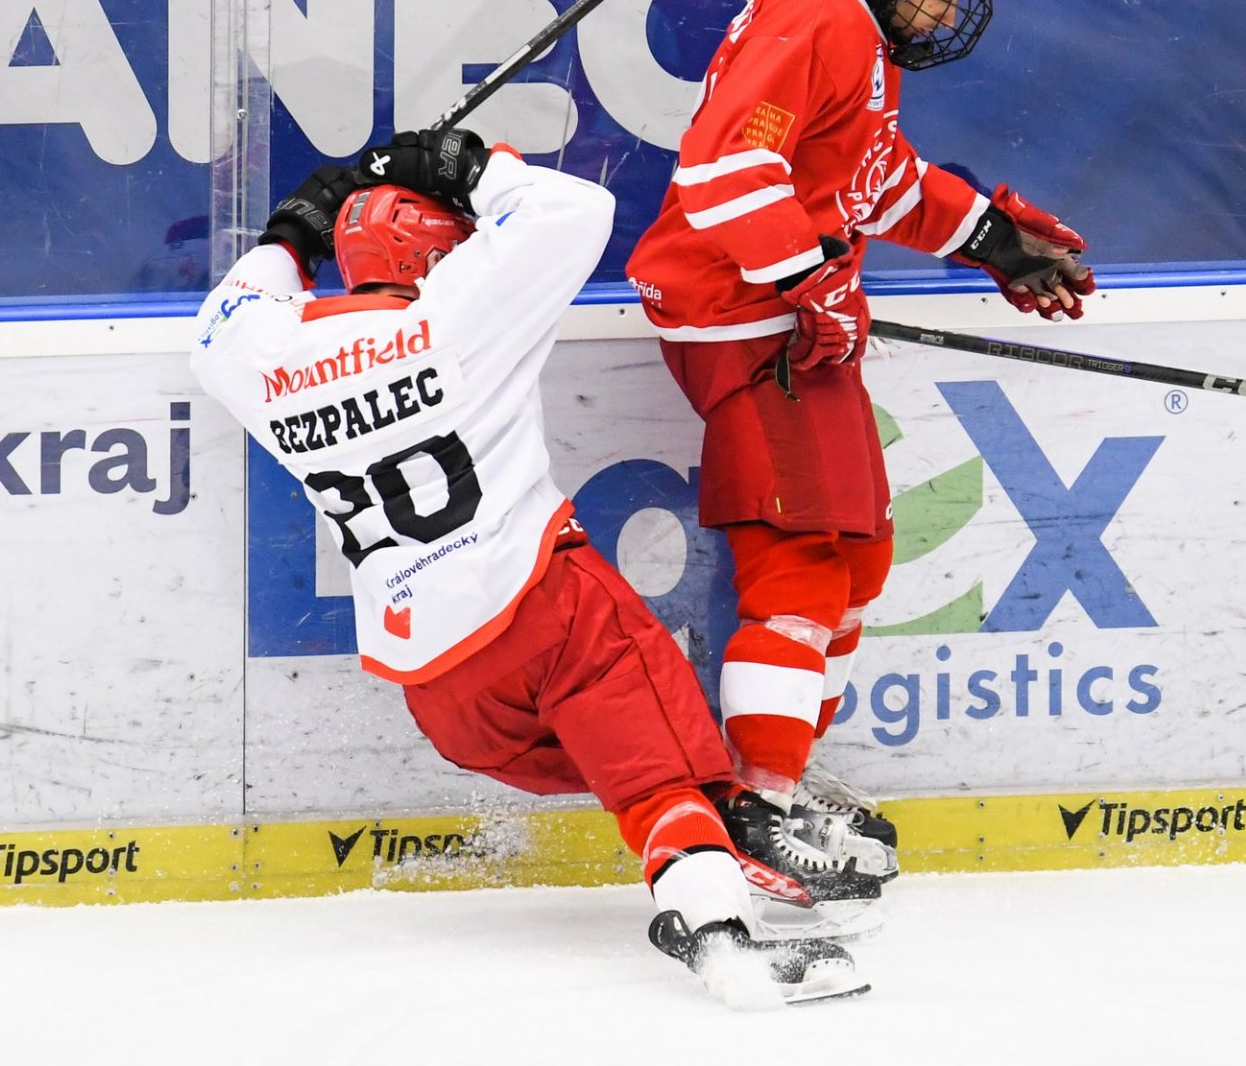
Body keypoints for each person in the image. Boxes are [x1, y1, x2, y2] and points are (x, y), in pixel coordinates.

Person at [190, 132, 870, 1007]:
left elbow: (222, 320)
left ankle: (716, 842)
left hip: (442, 692)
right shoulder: (454, 314)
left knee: (650, 766)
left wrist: (294, 232)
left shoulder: (265, 356)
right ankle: (720, 934)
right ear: (433, 256)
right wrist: (458, 163)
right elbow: (573, 209)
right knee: (658, 780)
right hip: (546, 612)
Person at [625, 0, 1097, 875]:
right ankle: (759, 806)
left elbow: (873, 182)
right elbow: (722, 169)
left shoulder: (859, 36)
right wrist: (810, 278)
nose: (946, 16)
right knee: (802, 561)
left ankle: (783, 774)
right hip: (745, 321)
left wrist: (995, 240)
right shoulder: (814, 12)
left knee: (859, 557)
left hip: (788, 323)